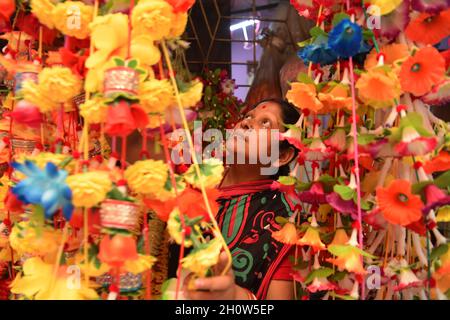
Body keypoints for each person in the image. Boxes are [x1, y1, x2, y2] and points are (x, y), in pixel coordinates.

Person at [183, 98, 302, 300]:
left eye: (266, 123)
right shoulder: (195, 179)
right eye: (248, 116)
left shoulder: (284, 223)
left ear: (282, 156)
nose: (246, 123)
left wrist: (234, 296)